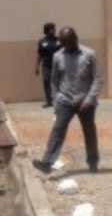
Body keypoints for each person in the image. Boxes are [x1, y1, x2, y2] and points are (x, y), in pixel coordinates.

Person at [33, 27, 103, 175]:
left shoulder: (89, 54)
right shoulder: (58, 56)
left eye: (69, 42)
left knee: (89, 131)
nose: (66, 45)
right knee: (58, 130)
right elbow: (54, 81)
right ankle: (47, 162)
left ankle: (93, 162)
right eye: (64, 43)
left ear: (75, 39)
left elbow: (97, 79)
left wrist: (90, 98)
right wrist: (56, 100)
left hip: (85, 101)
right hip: (65, 100)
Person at [36, 23, 60, 108]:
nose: (53, 30)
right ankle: (49, 101)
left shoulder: (59, 40)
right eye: (51, 29)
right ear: (46, 30)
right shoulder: (42, 41)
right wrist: (37, 67)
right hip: (46, 65)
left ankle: (59, 100)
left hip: (58, 65)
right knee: (46, 81)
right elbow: (39, 55)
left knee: (58, 82)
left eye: (54, 28)